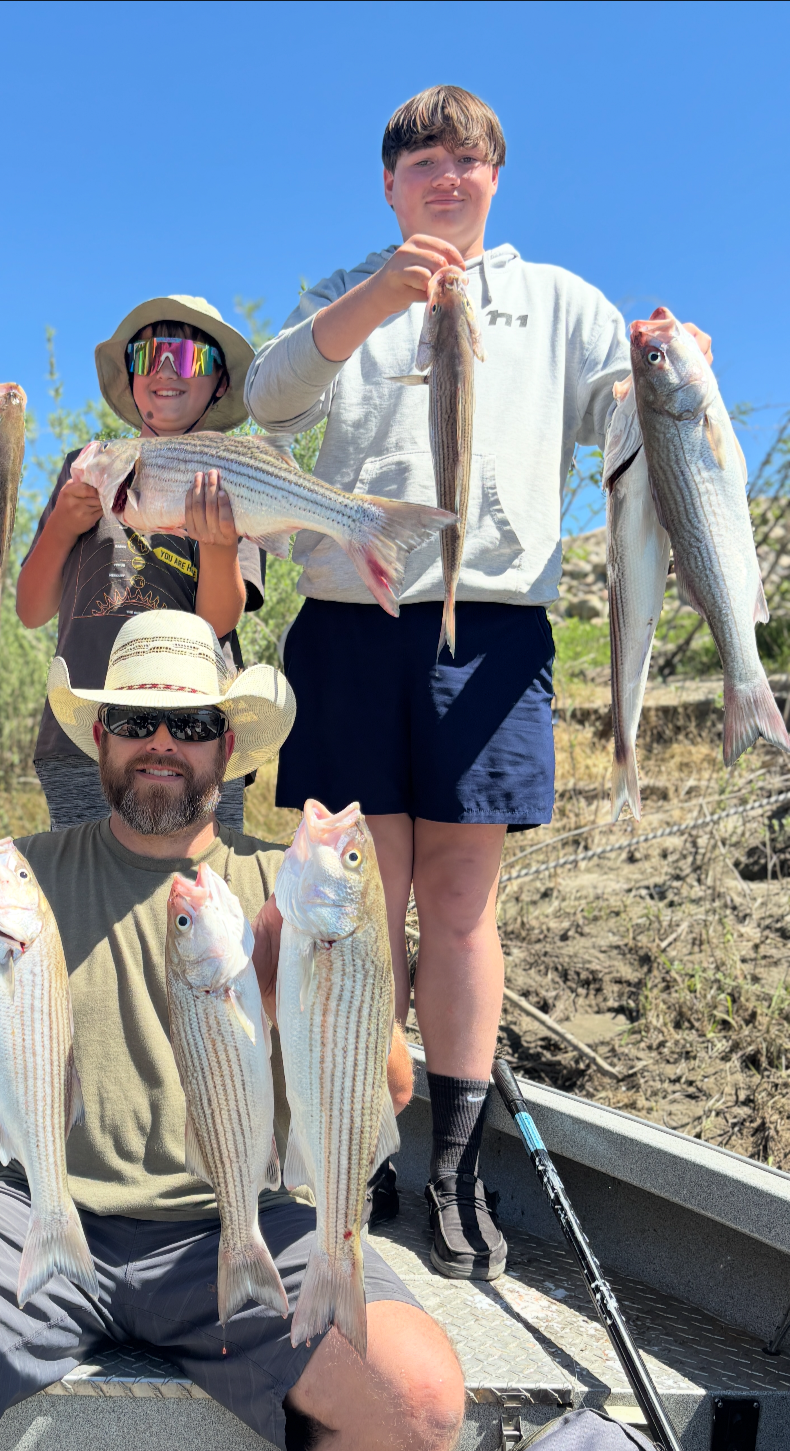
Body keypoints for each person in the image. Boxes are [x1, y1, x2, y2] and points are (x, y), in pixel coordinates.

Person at [244, 86, 714, 1280]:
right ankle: (358, 1149)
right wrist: (370, 302)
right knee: (356, 914)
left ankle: (451, 1168)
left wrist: (678, 362)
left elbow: (630, 406)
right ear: (390, 185)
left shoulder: (558, 301)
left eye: (467, 161)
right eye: (422, 163)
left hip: (495, 629)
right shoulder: (344, 290)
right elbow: (270, 399)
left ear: (495, 177)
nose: (446, 178)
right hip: (354, 627)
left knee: (459, 909)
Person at [0, 610, 462, 1451]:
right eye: (135, 720)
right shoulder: (17, 875)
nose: (162, 742)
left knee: (418, 1398)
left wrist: (302, 988)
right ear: (100, 735)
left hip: (241, 1217)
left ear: (226, 745)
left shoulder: (290, 887)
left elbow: (386, 1089)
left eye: (193, 725)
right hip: (36, 1201)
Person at [16, 296, 266, 832]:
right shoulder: (88, 467)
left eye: (189, 356)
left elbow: (219, 623)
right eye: (150, 354)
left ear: (220, 382)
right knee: (84, 900)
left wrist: (219, 544)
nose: (167, 369)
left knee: (202, 900)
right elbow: (32, 610)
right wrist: (61, 525)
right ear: (129, 374)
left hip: (195, 737)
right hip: (83, 734)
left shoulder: (236, 474)